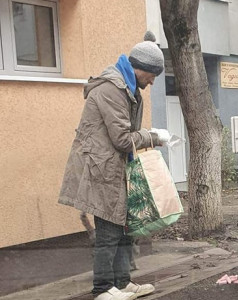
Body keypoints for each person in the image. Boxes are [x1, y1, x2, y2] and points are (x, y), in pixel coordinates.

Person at [59, 31, 166, 300]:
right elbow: (121, 138)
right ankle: (103, 289)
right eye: (152, 75)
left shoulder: (128, 88)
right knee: (108, 231)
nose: (152, 82)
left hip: (114, 167)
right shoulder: (111, 89)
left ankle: (123, 282)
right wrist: (154, 136)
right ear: (140, 68)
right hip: (100, 168)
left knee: (125, 229)